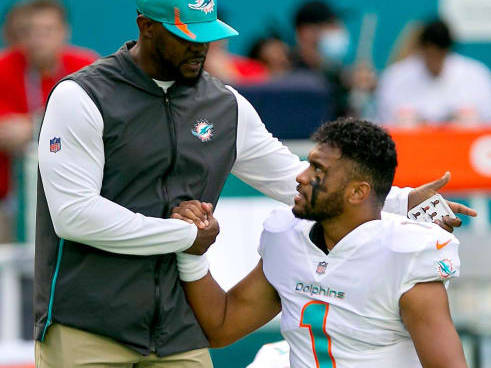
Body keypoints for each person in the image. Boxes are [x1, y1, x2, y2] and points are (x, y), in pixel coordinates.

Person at [34, 0, 474, 366]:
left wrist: (398, 201)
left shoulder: (224, 104)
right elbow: (75, 216)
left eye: (207, 34)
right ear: (145, 27)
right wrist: (187, 235)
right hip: (89, 323)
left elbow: (291, 177)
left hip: (175, 328)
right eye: (186, 34)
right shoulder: (82, 96)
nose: (200, 47)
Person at [173, 118, 468, 368]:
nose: (300, 177)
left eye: (318, 170)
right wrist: (193, 254)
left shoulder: (407, 255)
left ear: (357, 192)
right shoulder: (286, 236)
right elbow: (222, 327)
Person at [0, 0, 97, 243]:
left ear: (65, 32)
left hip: (75, 194)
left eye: (48, 30)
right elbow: (7, 134)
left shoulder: (88, 66)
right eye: (31, 31)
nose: (39, 39)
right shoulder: (5, 66)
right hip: (10, 198)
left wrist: (32, 126)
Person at [376, 19, 491, 127]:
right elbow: (381, 122)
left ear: (448, 50)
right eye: (429, 54)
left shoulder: (476, 74)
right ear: (421, 50)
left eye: (439, 55)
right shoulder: (396, 76)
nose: (434, 61)